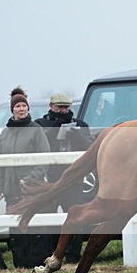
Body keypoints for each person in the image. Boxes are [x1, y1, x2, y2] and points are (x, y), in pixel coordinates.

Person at [0, 87, 51, 269]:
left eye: (23, 105)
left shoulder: (36, 130)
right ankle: (20, 264)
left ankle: (35, 264)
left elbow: (45, 157)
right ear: (12, 109)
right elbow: (0, 162)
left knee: (33, 226)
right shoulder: (5, 133)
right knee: (15, 228)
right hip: (11, 190)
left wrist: (31, 178)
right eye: (17, 106)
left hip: (31, 189)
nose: (21, 109)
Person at [35, 93, 94, 263]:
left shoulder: (81, 126)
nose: (63, 111)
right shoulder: (41, 125)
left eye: (66, 107)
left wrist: (79, 137)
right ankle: (48, 254)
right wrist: (52, 135)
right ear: (51, 106)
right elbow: (38, 148)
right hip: (50, 180)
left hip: (73, 180)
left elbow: (91, 147)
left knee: (76, 218)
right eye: (59, 107)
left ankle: (73, 254)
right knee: (47, 218)